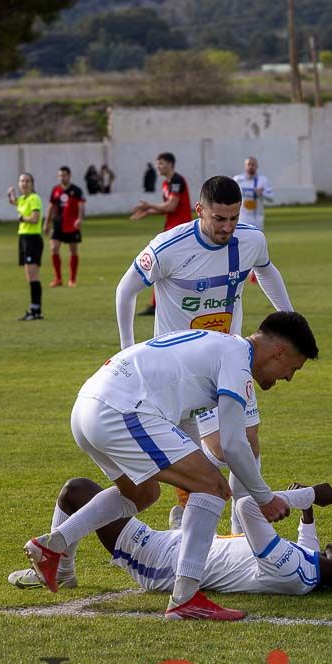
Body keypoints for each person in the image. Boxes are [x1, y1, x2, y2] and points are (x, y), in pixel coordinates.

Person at [22, 311, 319, 621]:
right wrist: (264, 497)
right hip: (121, 409)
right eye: (293, 368)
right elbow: (234, 443)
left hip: (88, 405)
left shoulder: (218, 344)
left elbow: (187, 421)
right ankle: (185, 598)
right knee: (214, 487)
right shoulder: (237, 361)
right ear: (279, 352)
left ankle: (54, 544)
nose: (288, 377)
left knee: (141, 494)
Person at [116, 175, 295, 531]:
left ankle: (240, 532)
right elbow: (125, 289)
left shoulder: (250, 240)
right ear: (200, 210)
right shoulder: (169, 247)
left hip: (229, 360)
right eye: (219, 219)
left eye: (233, 218)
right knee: (213, 453)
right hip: (179, 370)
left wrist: (290, 320)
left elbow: (267, 270)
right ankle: (187, 510)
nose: (227, 227)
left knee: (247, 444)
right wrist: (128, 350)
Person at [10, 479, 332, 595]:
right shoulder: (308, 569)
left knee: (77, 491)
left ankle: (60, 568)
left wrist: (307, 495)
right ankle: (62, 567)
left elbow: (247, 508)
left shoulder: (292, 572)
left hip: (163, 563)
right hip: (180, 545)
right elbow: (307, 546)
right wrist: (307, 514)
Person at [129, 152, 193, 316]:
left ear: (171, 164)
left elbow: (171, 206)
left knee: (164, 265)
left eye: (161, 163)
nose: (158, 166)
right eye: (157, 163)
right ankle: (158, 304)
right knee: (165, 266)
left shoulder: (177, 181)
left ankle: (160, 304)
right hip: (171, 230)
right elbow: (168, 209)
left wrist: (148, 206)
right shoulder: (166, 184)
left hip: (180, 231)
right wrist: (149, 211)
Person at [9, 172, 45, 321]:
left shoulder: (34, 198)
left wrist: (22, 218)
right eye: (22, 181)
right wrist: (11, 196)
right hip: (23, 238)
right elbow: (15, 203)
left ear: (32, 183)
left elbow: (35, 219)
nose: (24, 183)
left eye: (27, 181)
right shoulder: (22, 199)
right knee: (29, 276)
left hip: (32, 239)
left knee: (33, 275)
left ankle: (36, 310)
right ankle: (33, 308)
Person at [47, 166, 85, 288]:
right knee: (53, 248)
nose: (62, 177)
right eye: (60, 175)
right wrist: (46, 223)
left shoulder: (76, 190)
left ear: (69, 176)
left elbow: (81, 206)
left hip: (72, 224)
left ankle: (72, 280)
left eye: (64, 175)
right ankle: (58, 278)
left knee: (73, 250)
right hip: (58, 223)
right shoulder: (55, 190)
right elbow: (51, 207)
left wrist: (80, 219)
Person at [233, 156, 275, 231]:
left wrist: (262, 193)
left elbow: (271, 198)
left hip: (257, 218)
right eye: (248, 164)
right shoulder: (237, 180)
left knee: (257, 240)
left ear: (257, 166)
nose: (251, 166)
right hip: (242, 218)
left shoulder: (263, 180)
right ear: (245, 166)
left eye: (253, 164)